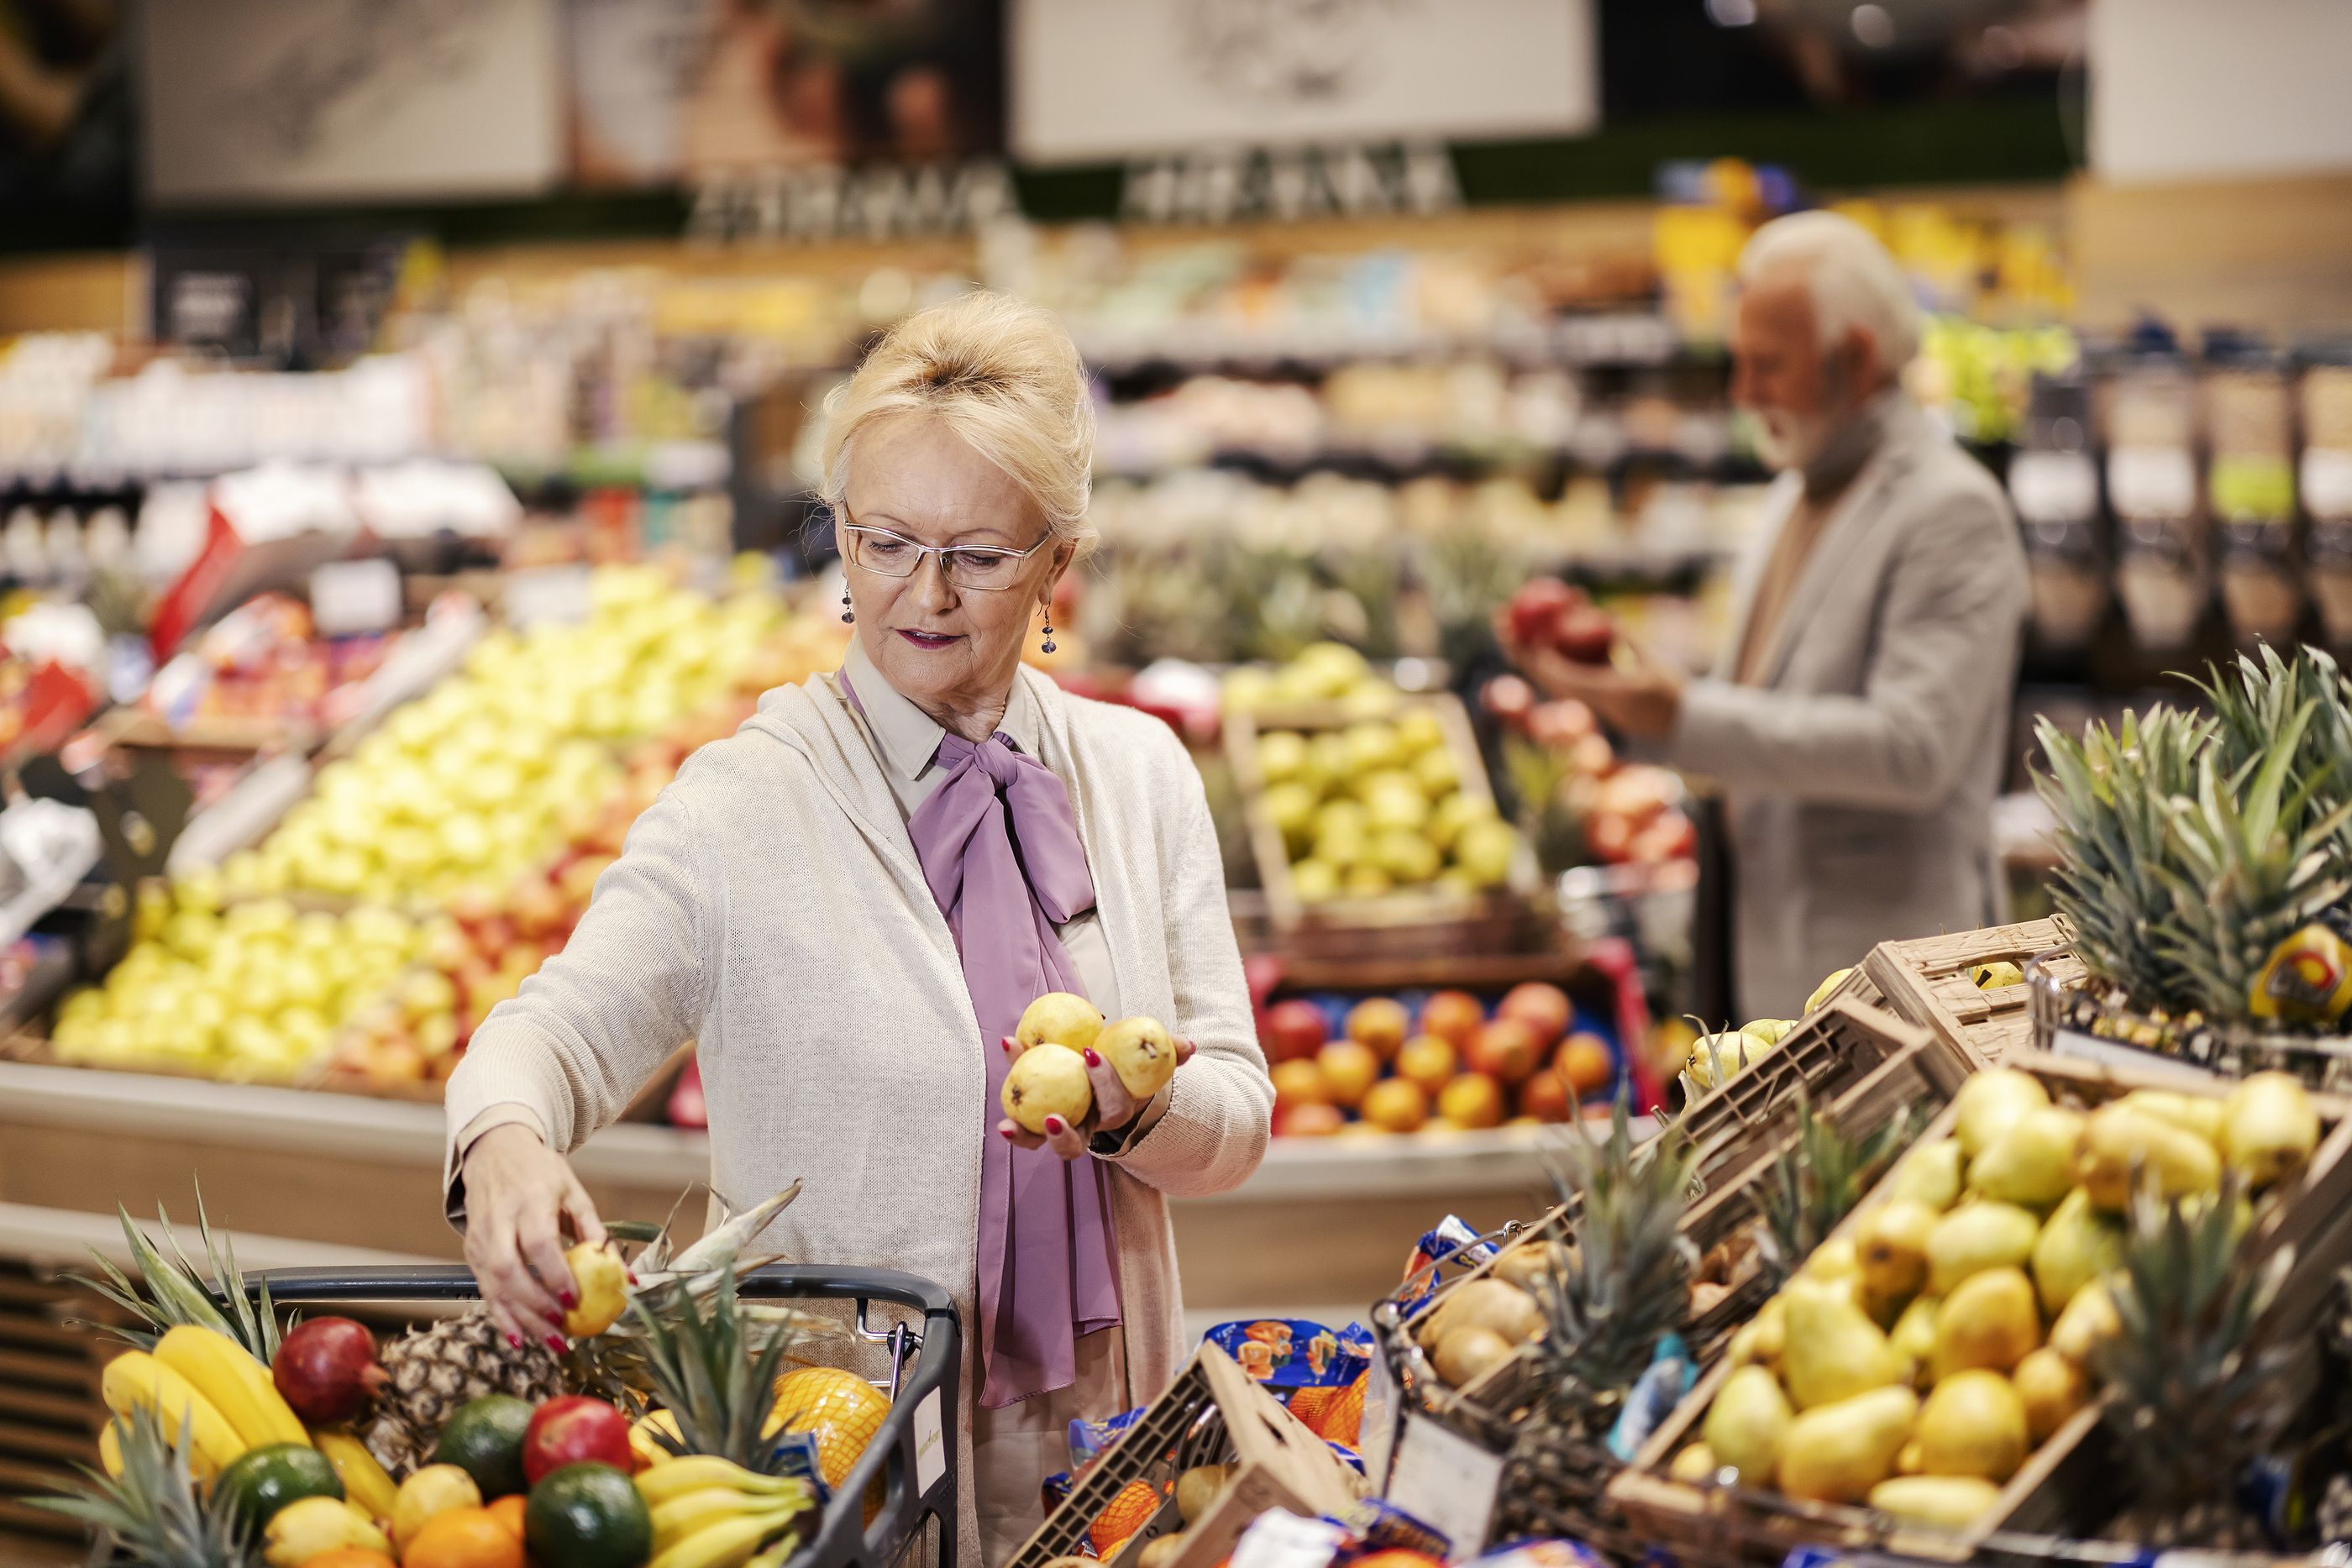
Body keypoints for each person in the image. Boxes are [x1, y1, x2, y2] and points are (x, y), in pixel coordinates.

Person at [443, 291, 1275, 1565]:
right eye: (883, 540)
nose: (922, 594)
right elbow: (548, 1031)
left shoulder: (1140, 773)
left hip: (1126, 1460)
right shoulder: (747, 802)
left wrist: (1137, 1108)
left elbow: (1237, 1121)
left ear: (1059, 560)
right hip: (849, 1471)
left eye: (980, 556)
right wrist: (502, 1142)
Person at [1504, 211, 2028, 1020]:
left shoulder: (1952, 508)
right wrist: (1635, 692)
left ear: (1854, 359)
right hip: (1779, 964)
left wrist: (1683, 714)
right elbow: (1766, 702)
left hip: (1901, 988)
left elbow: (1914, 748)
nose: (1743, 392)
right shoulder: (1795, 491)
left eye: (1767, 365)